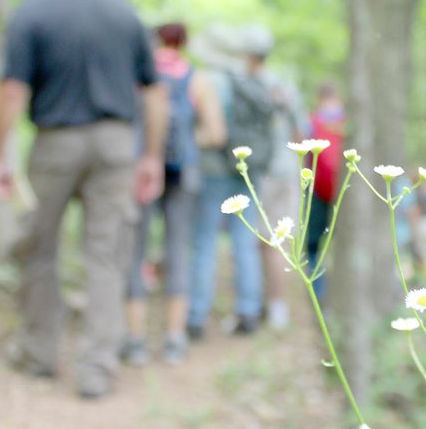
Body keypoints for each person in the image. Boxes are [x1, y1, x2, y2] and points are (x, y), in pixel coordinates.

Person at [0, 0, 167, 399]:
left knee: (39, 246)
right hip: (115, 145)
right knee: (107, 253)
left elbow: (11, 90)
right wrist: (150, 156)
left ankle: (40, 353)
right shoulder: (124, 13)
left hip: (56, 143)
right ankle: (96, 368)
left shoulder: (34, 11)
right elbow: (154, 91)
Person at [123, 23, 224, 365]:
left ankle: (135, 340)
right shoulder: (197, 79)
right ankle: (174, 339)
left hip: (140, 172)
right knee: (178, 249)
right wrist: (187, 144)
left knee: (134, 250)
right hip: (184, 173)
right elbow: (216, 133)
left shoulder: (138, 73)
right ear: (184, 43)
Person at [186, 24, 274, 338]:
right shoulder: (249, 81)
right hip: (247, 171)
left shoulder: (207, 81)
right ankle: (248, 311)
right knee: (244, 241)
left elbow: (210, 131)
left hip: (212, 170)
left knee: (204, 242)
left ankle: (196, 315)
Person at [259, 58, 307, 330]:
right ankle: (277, 305)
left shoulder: (253, 86)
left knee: (260, 240)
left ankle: (260, 303)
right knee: (278, 242)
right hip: (287, 169)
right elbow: (301, 136)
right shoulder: (289, 91)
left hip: (259, 172)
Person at [305, 83, 346, 302]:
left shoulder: (313, 120)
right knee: (340, 242)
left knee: (313, 242)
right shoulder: (347, 121)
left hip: (317, 190)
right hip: (344, 189)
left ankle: (318, 291)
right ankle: (339, 291)